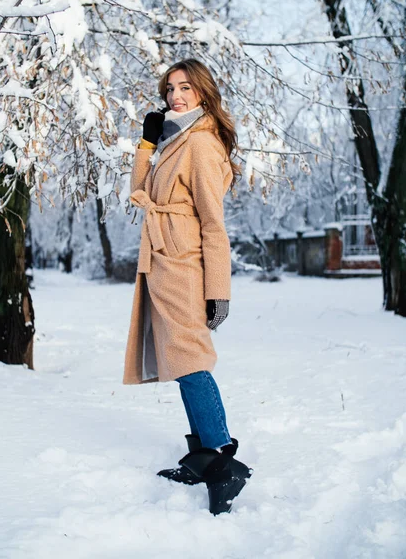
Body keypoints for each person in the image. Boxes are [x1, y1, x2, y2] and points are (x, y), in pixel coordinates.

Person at [123, 58, 252, 515]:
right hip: (163, 260)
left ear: (203, 92)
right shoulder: (176, 139)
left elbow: (214, 226)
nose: (175, 96)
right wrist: (146, 143)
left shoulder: (201, 145)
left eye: (185, 88)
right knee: (181, 360)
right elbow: (141, 194)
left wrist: (219, 289)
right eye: (170, 88)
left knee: (192, 360)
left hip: (183, 265)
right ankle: (203, 457)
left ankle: (222, 464)